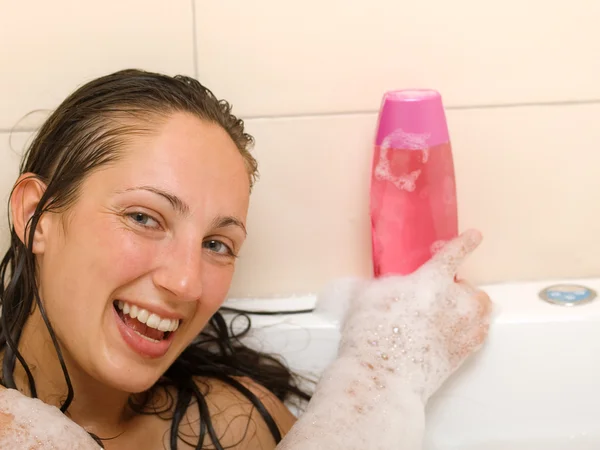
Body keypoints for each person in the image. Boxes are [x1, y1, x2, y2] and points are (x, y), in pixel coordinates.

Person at [0, 69, 491, 449]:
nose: (187, 283)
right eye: (144, 218)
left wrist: (388, 372)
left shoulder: (231, 425)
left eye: (217, 245)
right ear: (35, 216)